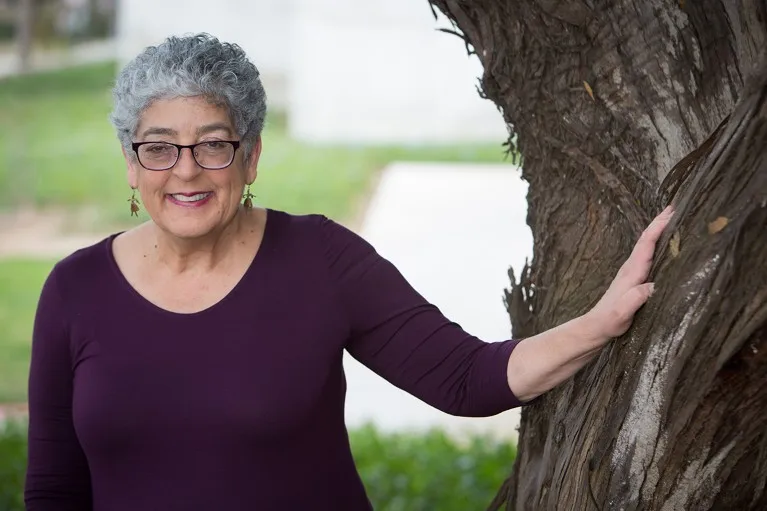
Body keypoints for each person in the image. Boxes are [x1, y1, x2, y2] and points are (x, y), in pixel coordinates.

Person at [24, 33, 674, 511]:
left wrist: (601, 321)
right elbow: (54, 488)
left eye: (213, 144)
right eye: (159, 147)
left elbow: (466, 377)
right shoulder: (75, 290)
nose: (186, 169)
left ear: (249, 157)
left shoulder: (321, 260)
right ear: (132, 163)